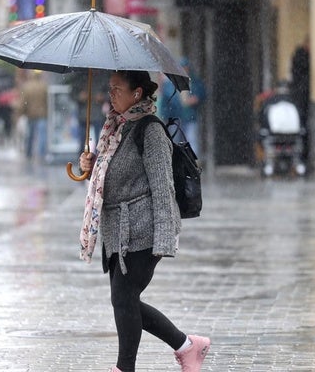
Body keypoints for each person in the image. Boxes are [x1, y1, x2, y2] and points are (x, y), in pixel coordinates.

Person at [77, 70, 210, 372]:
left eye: (116, 89)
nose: (110, 94)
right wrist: (91, 164)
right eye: (109, 89)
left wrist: (164, 241)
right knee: (125, 301)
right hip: (116, 233)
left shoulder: (150, 131)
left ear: (137, 93)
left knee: (123, 299)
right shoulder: (115, 128)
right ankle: (188, 347)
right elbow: (111, 175)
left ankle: (125, 369)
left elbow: (164, 188)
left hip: (141, 232)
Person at [66, 70, 109, 155]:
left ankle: (98, 161)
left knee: (99, 141)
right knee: (82, 141)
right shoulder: (80, 77)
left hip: (98, 115)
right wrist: (80, 96)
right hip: (83, 115)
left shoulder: (103, 77)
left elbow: (110, 93)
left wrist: (103, 97)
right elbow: (72, 93)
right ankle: (82, 161)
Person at [177, 58, 206, 154]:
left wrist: (195, 98)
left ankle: (193, 162)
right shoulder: (175, 81)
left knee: (191, 139)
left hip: (190, 116)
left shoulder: (194, 81)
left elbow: (201, 92)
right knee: (177, 140)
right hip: (177, 116)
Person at [18, 70, 49, 160]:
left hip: (30, 114)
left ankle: (29, 153)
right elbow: (47, 101)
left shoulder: (27, 87)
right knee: (42, 135)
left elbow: (23, 102)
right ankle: (41, 154)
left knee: (30, 135)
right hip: (42, 114)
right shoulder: (44, 86)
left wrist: (21, 112)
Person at [290, 36, 310, 165]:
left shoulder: (298, 57)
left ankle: (302, 157)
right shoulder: (302, 57)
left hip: (300, 96)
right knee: (302, 127)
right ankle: (302, 157)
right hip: (301, 96)